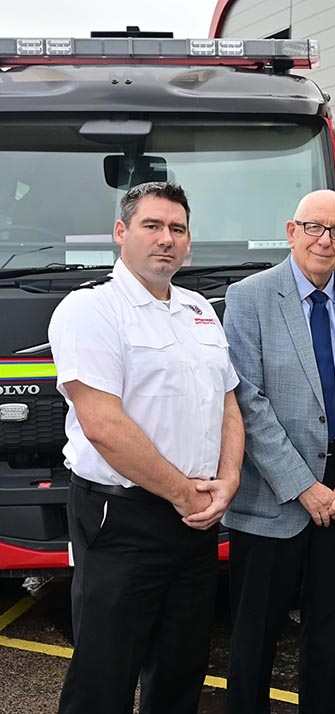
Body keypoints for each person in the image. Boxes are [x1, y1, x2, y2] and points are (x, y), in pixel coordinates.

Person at [49, 181, 244, 714]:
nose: (166, 239)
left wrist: (227, 480)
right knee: (105, 675)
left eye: (177, 229)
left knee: (181, 672)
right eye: (151, 226)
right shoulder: (90, 309)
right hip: (124, 517)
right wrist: (184, 493)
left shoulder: (199, 308)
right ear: (121, 232)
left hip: (197, 520)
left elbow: (228, 401)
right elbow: (103, 425)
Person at [222, 190, 335, 713]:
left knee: (330, 634)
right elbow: (246, 400)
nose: (325, 240)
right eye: (314, 228)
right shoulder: (249, 296)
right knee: (255, 639)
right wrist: (301, 484)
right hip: (274, 496)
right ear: (291, 230)